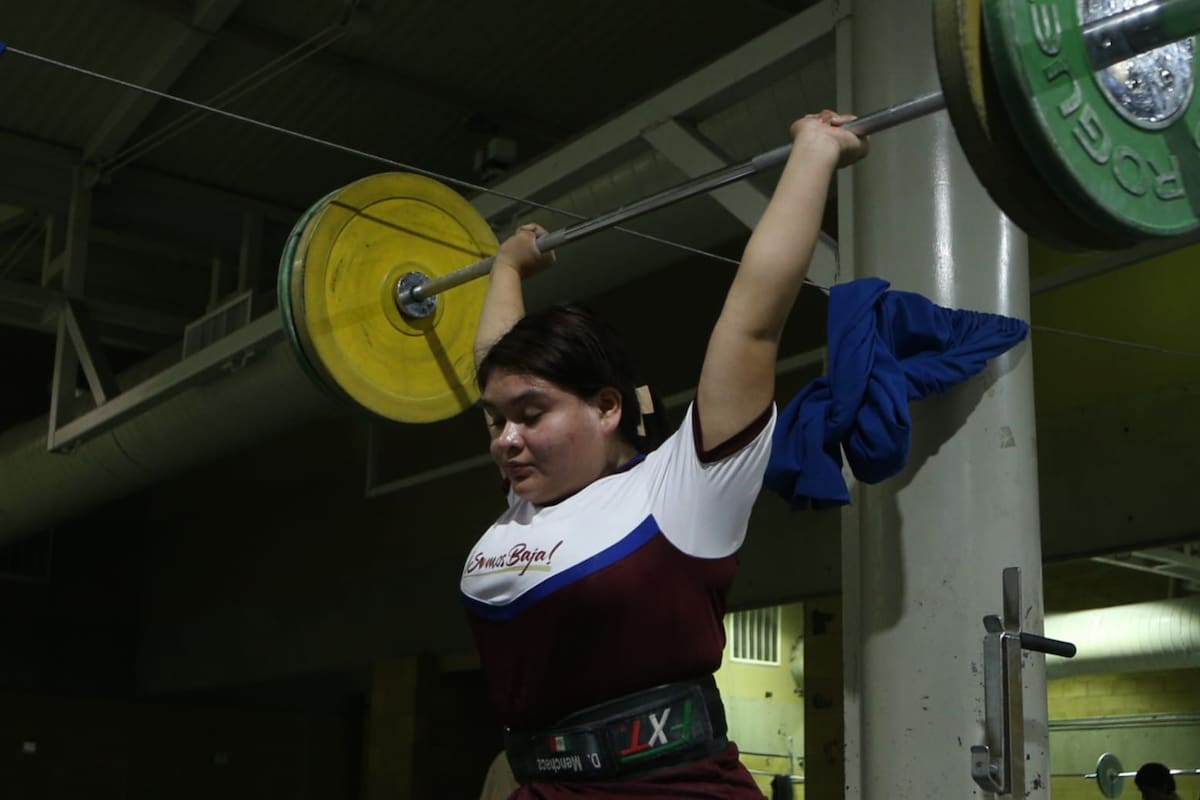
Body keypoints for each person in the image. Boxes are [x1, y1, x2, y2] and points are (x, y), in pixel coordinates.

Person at [459, 111, 868, 798]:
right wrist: (506, 267)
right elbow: (498, 370)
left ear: (608, 407)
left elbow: (754, 321)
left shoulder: (681, 486)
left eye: (531, 417)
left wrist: (814, 153)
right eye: (498, 421)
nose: (506, 438)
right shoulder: (525, 496)